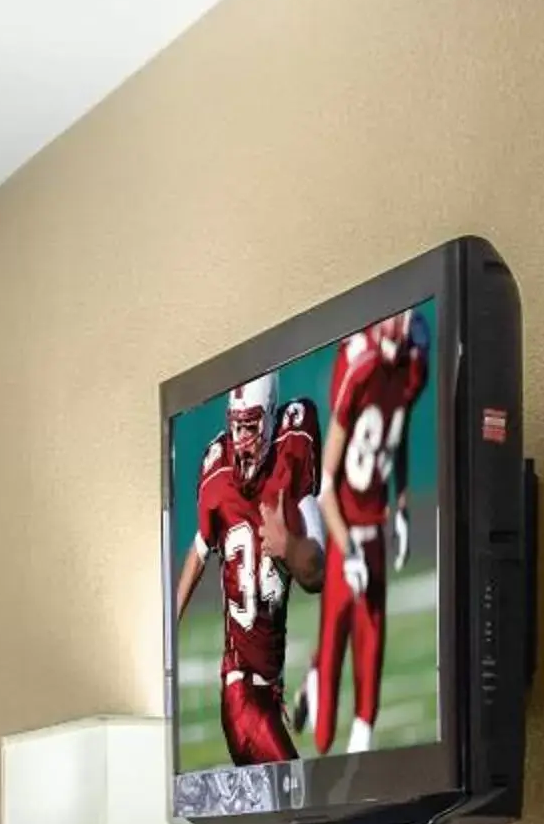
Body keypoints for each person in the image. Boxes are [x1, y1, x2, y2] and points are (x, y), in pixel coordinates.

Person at [170, 374, 323, 765]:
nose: (241, 439)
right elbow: (200, 549)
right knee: (296, 800)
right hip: (242, 694)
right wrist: (166, 630)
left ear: (271, 419)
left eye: (251, 426)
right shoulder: (217, 476)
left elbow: (316, 575)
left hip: (268, 694)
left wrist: (286, 546)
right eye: (235, 426)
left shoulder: (292, 454)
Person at [304, 307, 430, 754]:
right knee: (336, 638)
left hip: (374, 522)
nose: (402, 328)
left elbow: (397, 436)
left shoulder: (415, 362)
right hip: (345, 524)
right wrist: (348, 549)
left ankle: (359, 743)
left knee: (372, 640)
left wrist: (401, 505)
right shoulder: (359, 365)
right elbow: (324, 486)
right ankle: (315, 684)